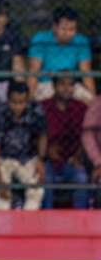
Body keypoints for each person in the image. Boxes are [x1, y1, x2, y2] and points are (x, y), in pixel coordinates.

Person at [0, 82, 46, 212]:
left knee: (37, 190)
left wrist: (40, 160)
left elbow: (43, 135)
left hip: (27, 157)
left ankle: (27, 226)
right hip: (2, 158)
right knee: (3, 195)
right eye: (14, 102)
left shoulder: (35, 109)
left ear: (27, 100)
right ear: (7, 99)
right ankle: (3, 230)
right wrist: (0, 180)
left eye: (22, 102)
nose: (18, 107)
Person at [26, 6, 94, 102]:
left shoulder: (81, 41)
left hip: (71, 85)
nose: (67, 34)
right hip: (46, 83)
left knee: (89, 102)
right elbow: (33, 71)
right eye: (63, 29)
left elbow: (86, 73)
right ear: (54, 26)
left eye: (72, 29)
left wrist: (93, 99)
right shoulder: (40, 39)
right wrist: (29, 99)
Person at [42, 76, 91, 209]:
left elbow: (86, 135)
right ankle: (46, 222)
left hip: (71, 159)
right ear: (54, 86)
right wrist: (45, 151)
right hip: (48, 160)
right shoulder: (43, 107)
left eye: (70, 85)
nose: (66, 88)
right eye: (62, 84)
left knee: (81, 178)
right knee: (45, 179)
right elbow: (34, 134)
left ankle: (81, 223)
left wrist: (77, 156)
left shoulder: (80, 108)